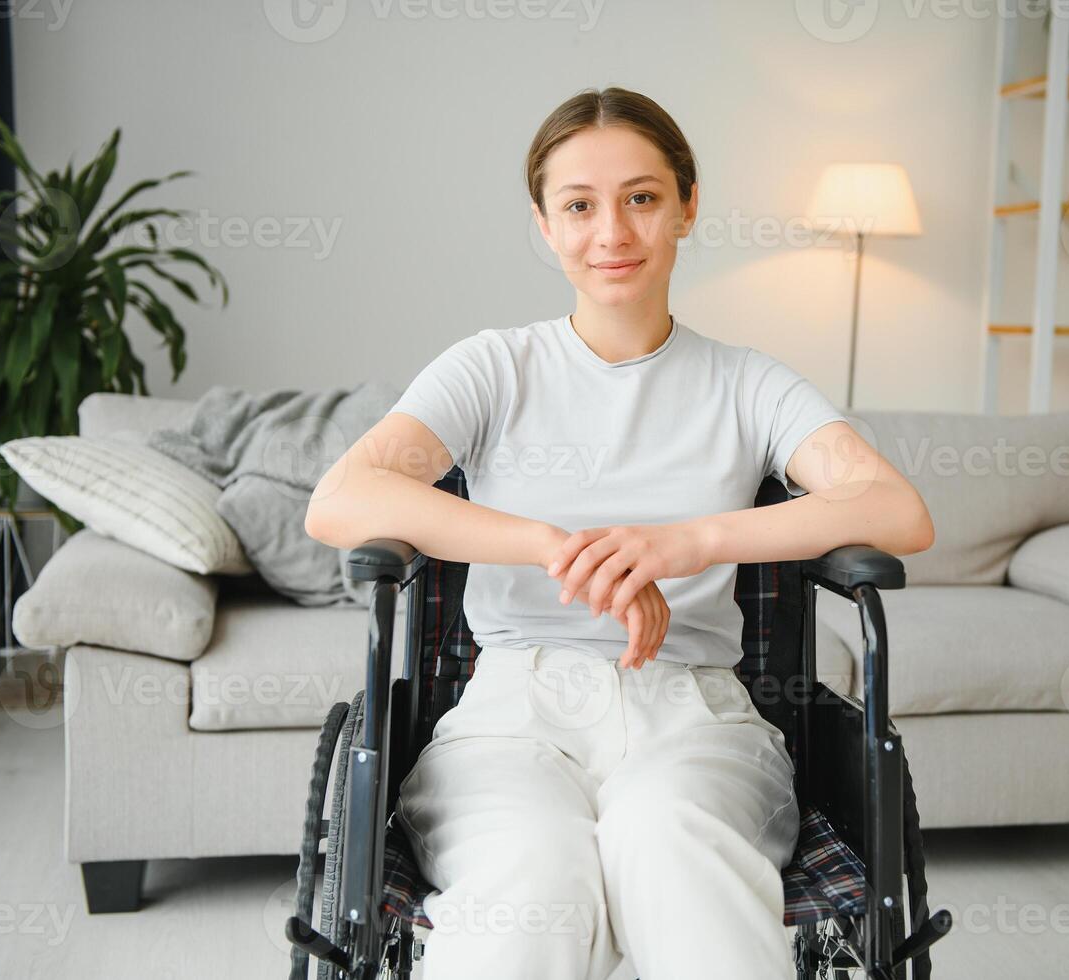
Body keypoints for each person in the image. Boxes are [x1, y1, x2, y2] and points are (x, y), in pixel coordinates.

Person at [305, 85, 934, 980]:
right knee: (534, 872)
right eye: (579, 205)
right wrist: (554, 545)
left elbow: (896, 510)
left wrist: (689, 542)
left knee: (667, 840)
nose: (613, 233)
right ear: (544, 224)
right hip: (510, 716)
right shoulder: (494, 366)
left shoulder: (746, 382)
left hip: (691, 711)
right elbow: (340, 498)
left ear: (686, 206)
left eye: (641, 198)